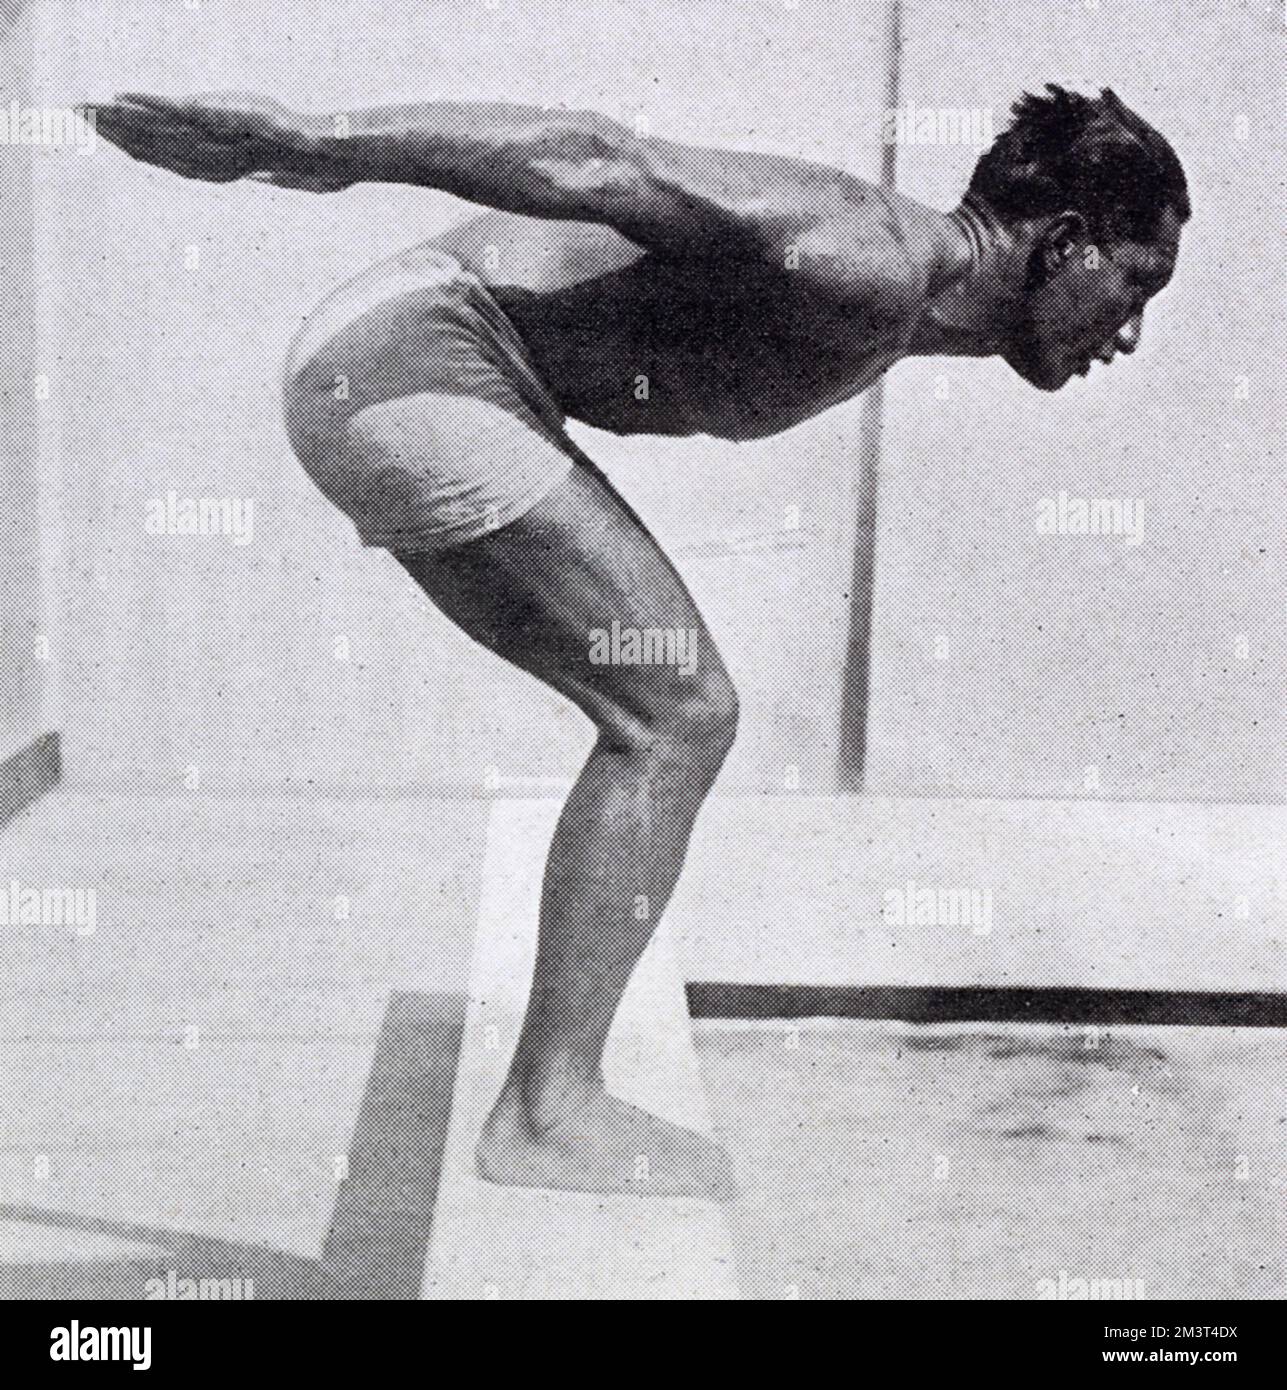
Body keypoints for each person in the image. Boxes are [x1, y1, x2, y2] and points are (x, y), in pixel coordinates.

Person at [88, 84, 1188, 1200]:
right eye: (1136, 285)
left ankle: (551, 1100)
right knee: (678, 712)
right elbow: (603, 158)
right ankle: (547, 1111)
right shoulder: (868, 250)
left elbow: (968, 314)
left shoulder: (924, 302)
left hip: (396, 363)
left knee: (664, 709)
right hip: (417, 353)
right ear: (1062, 241)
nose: (1133, 332)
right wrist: (324, 140)